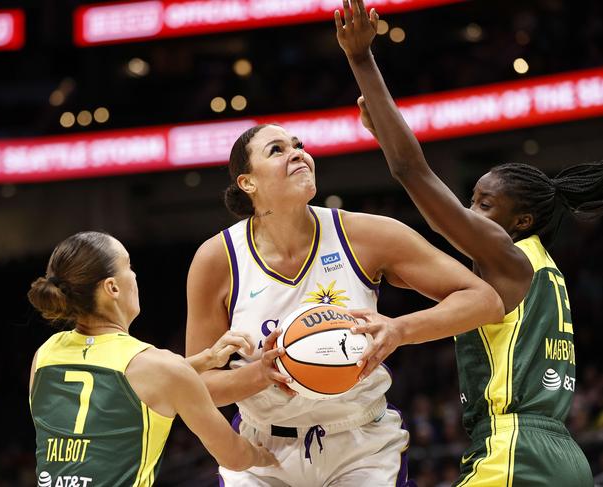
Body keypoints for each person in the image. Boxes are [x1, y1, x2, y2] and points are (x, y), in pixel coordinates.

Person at [336, 0, 601, 484]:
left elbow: (410, 170)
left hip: (513, 448)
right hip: (563, 456)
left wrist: (361, 60)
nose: (470, 214)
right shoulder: (538, 271)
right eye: (471, 200)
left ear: (520, 220)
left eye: (484, 205)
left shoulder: (509, 257)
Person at [185, 99, 504, 484]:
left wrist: (400, 330)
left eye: (299, 145)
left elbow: (484, 300)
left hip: (360, 444)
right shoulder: (217, 258)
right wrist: (263, 374)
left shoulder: (366, 235)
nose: (298, 154)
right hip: (264, 449)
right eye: (277, 150)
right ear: (247, 182)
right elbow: (197, 385)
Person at [27, 231, 278, 487]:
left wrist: (204, 360)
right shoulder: (161, 368)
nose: (134, 275)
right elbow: (233, 456)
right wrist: (266, 457)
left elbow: (112, 386)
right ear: (112, 287)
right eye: (129, 266)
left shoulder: (44, 356)